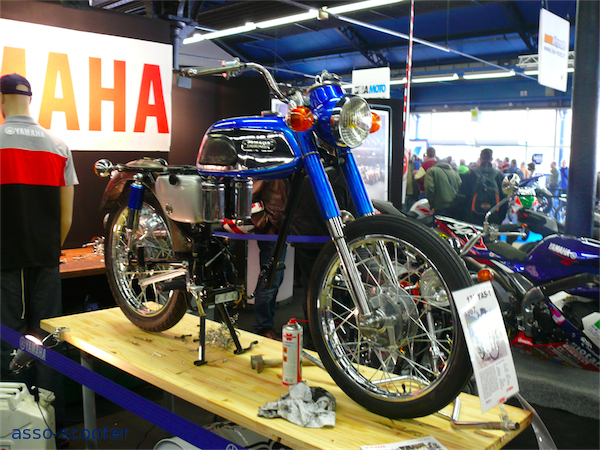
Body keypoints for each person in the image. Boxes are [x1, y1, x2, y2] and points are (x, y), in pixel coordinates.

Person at [0, 73, 79, 434]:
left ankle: (13, 428)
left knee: (7, 343)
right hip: (45, 259)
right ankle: (54, 428)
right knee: (47, 341)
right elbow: (66, 217)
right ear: (30, 99)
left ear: (2, 100)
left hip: (4, 261)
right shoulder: (58, 146)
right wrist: (48, 249)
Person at [249, 179, 288, 340]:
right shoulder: (270, 171)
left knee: (274, 278)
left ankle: (265, 325)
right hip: (272, 230)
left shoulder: (280, 171)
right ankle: (263, 327)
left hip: (278, 228)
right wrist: (265, 225)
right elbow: (250, 197)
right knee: (270, 280)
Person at [457, 148, 506, 225]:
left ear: (480, 159)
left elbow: (462, 198)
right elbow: (504, 200)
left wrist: (462, 217)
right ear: (491, 159)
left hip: (472, 218)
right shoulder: (500, 176)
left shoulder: (470, 174)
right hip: (493, 218)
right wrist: (499, 219)